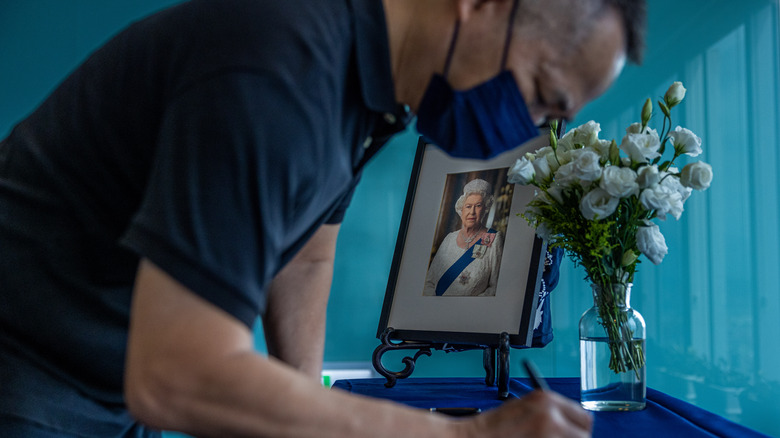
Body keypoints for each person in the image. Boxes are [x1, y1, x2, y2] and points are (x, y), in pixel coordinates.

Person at [0, 0, 645, 436]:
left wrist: (301, 411)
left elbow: (307, 255)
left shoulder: (375, 90)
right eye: (541, 95)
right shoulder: (282, 66)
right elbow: (175, 372)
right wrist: (463, 436)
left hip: (111, 375)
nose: (529, 128)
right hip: (27, 366)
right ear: (481, 4)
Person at [424, 179, 504, 296]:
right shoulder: (449, 239)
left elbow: (495, 288)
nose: (472, 212)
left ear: (485, 209)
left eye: (478, 206)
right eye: (468, 206)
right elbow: (429, 282)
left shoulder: (494, 238)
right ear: (461, 210)